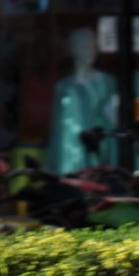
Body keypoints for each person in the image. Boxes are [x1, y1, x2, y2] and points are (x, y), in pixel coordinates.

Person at [45, 27, 118, 174]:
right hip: (67, 162)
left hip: (96, 158)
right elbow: (57, 130)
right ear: (73, 50)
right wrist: (51, 164)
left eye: (93, 45)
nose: (90, 50)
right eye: (84, 45)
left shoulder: (107, 82)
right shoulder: (63, 87)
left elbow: (114, 123)